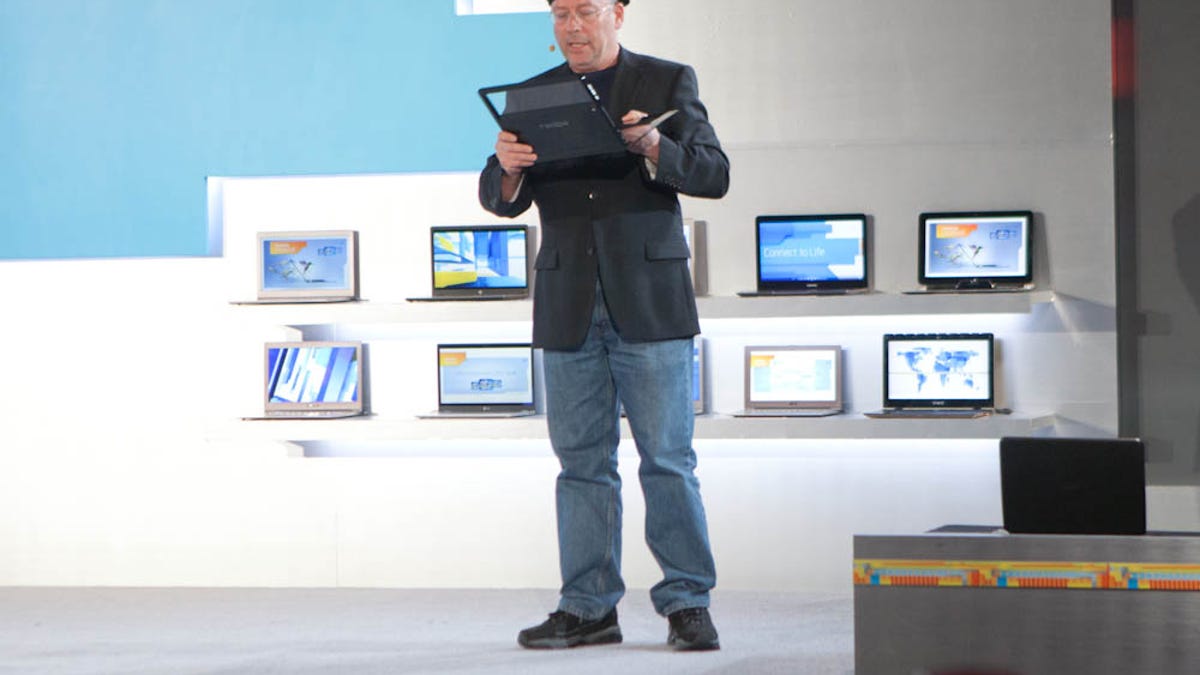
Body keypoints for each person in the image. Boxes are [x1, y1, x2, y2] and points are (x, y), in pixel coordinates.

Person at [479, 0, 729, 652]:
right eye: (560, 14)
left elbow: (714, 173)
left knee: (667, 460)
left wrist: (656, 146)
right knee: (581, 466)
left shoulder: (667, 81)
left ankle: (687, 602)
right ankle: (589, 607)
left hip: (649, 299)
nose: (572, 27)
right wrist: (507, 168)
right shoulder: (531, 95)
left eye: (585, 12)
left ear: (617, 13)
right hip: (568, 303)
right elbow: (498, 197)